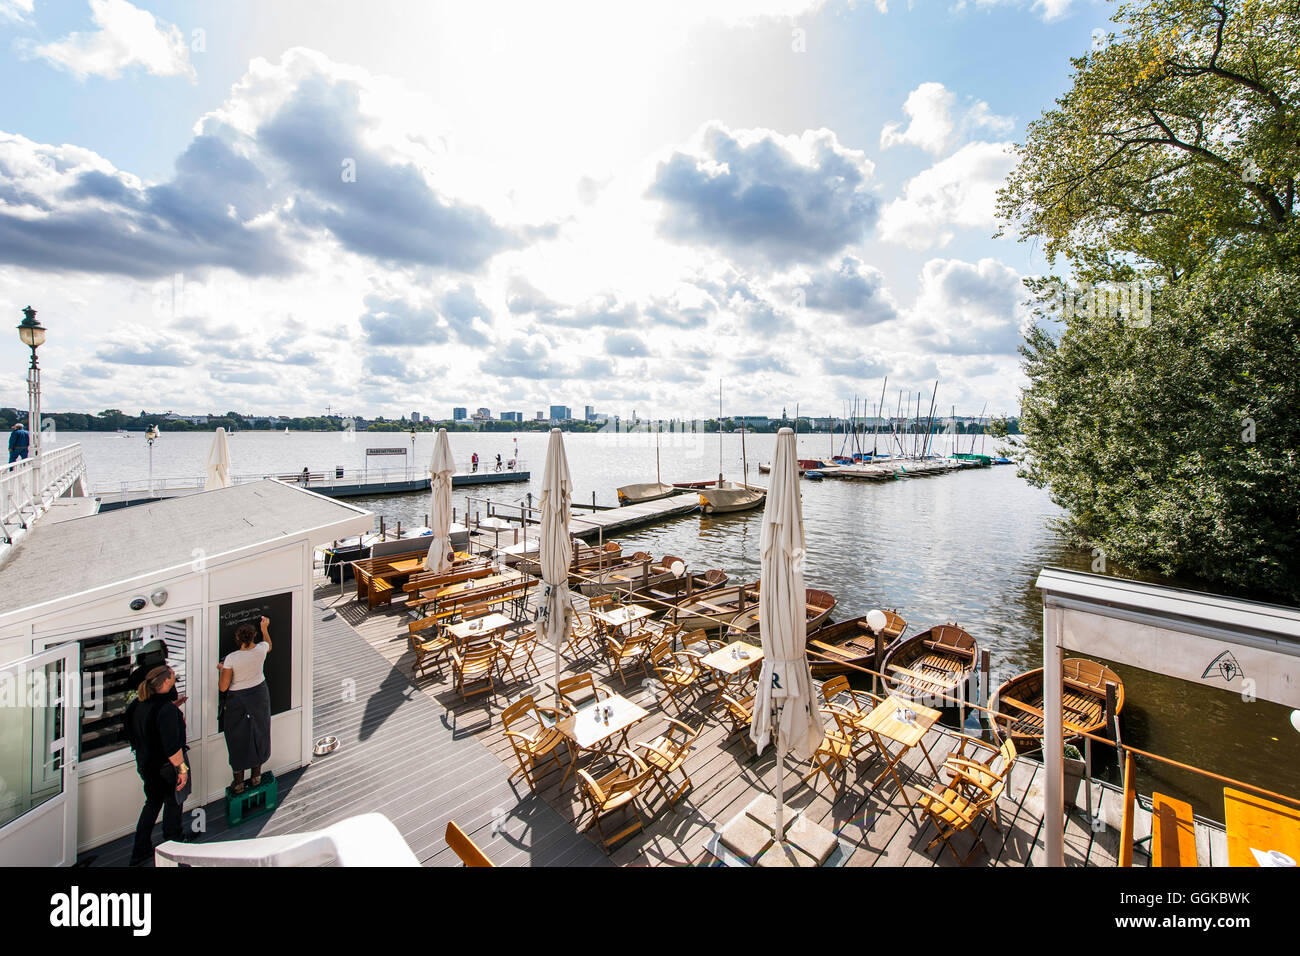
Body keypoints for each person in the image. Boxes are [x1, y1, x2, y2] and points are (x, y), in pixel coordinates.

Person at [126, 665, 189, 866]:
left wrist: (172, 707)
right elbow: (172, 747)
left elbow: (139, 731)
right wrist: (182, 769)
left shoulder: (136, 705)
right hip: (166, 768)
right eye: (172, 680)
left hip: (146, 765)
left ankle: (140, 849)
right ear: (163, 684)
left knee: (152, 804)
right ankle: (174, 846)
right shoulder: (166, 710)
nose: (174, 684)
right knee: (173, 803)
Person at [218, 616, 273, 794]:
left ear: (238, 639)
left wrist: (222, 669)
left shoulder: (232, 659)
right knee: (260, 731)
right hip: (259, 694)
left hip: (238, 699)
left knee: (237, 736)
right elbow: (268, 645)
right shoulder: (260, 650)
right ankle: (256, 776)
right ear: (254, 636)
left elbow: (223, 686)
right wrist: (265, 628)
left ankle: (239, 781)